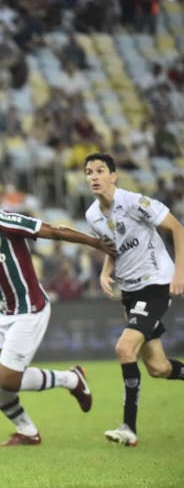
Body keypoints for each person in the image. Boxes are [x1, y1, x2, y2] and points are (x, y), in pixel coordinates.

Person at [0, 174, 114, 446]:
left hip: (29, 308)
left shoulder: (3, 221)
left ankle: (71, 379)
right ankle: (27, 431)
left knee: (8, 379)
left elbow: (54, 230)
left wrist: (96, 242)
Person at [83, 153, 184, 447]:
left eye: (100, 171)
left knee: (124, 348)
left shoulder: (134, 202)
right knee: (158, 368)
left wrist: (179, 273)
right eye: (89, 172)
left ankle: (129, 426)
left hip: (156, 283)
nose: (94, 177)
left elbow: (177, 228)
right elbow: (114, 247)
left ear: (113, 176)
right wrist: (105, 271)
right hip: (130, 292)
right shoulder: (93, 215)